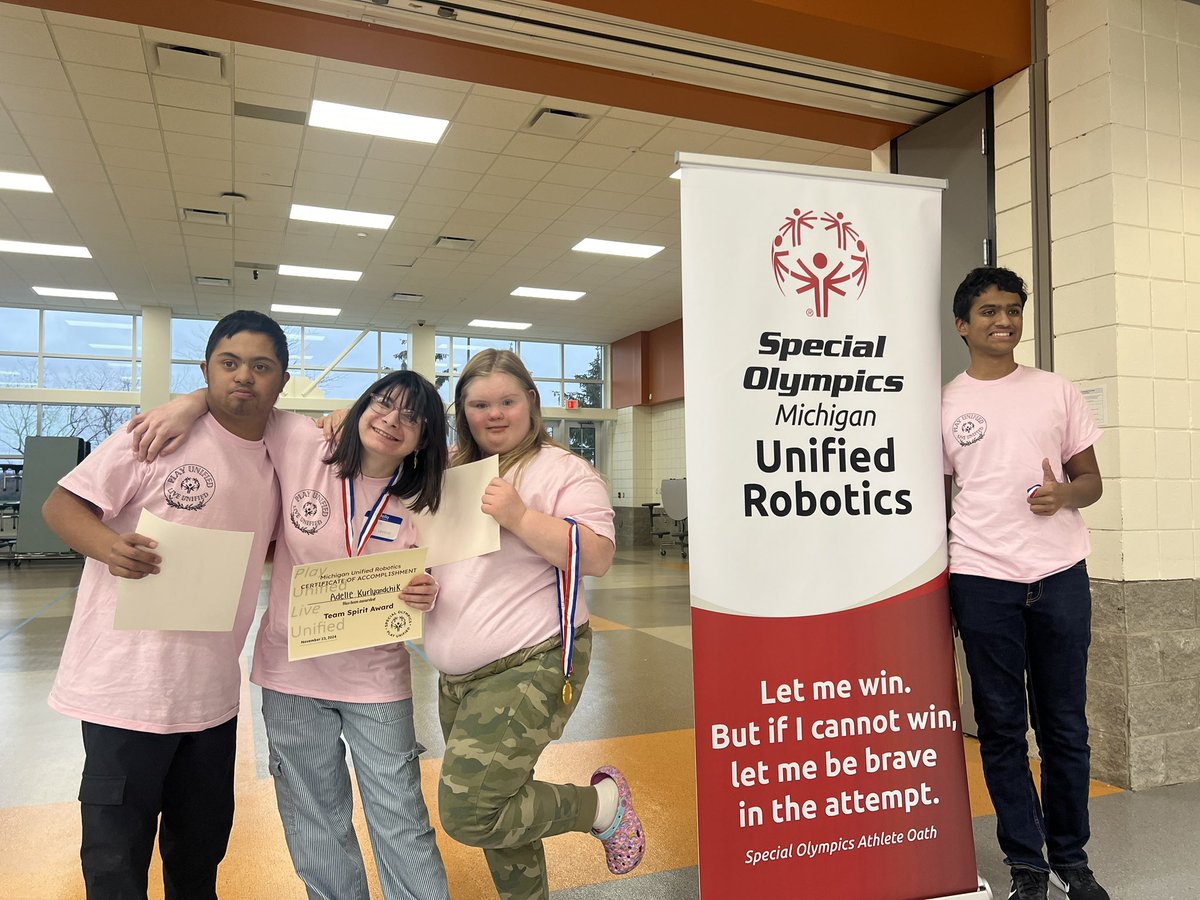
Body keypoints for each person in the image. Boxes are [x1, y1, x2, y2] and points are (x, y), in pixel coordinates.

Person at [127, 370, 452, 900]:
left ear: (425, 437)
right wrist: (187, 403)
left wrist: (426, 591)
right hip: (291, 675)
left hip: (376, 680)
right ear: (363, 404)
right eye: (384, 404)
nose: (392, 421)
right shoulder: (305, 444)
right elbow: (242, 404)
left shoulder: (428, 499)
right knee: (315, 819)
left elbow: (439, 576)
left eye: (412, 417)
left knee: (401, 817)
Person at [43, 310, 289, 899]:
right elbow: (60, 506)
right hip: (123, 693)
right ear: (205, 370)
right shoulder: (154, 437)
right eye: (229, 364)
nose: (243, 379)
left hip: (209, 702)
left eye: (261, 367)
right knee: (115, 863)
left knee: (198, 856)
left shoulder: (283, 458)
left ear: (282, 379)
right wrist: (109, 548)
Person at [426, 349, 644, 899]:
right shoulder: (453, 471)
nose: (494, 414)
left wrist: (520, 517)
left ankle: (601, 807)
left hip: (531, 660)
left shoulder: (563, 469)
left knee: (470, 812)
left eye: (507, 401)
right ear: (462, 411)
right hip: (458, 676)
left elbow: (596, 555)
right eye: (479, 404)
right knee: (502, 802)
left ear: (531, 403)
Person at [942, 268, 1108, 900]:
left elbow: (1090, 482)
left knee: (1065, 725)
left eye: (1012, 310)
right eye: (988, 311)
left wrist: (1064, 493)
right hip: (982, 579)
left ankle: (1072, 858)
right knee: (1003, 727)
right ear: (963, 324)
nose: (1002, 321)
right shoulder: (945, 403)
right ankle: (1026, 866)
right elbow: (932, 496)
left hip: (1060, 574)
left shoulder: (1055, 390)